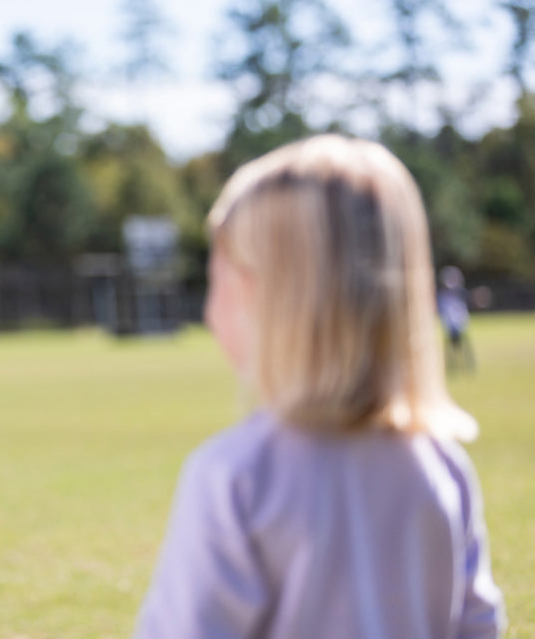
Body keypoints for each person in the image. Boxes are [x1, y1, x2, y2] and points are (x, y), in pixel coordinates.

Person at [136, 135, 505, 638]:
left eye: (218, 278)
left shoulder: (238, 477)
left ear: (268, 302)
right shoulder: (441, 468)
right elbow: (477, 626)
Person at [438, 265, 476, 372]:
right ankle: (452, 367)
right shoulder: (443, 296)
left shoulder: (460, 294)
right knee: (451, 348)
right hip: (450, 325)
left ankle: (468, 366)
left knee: (464, 347)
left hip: (461, 324)